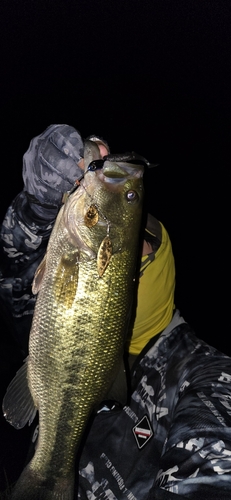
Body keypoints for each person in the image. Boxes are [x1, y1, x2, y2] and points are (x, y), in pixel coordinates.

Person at [1, 125, 231, 500]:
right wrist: (36, 209)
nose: (131, 254)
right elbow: (16, 284)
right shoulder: (71, 268)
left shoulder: (208, 378)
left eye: (142, 241)